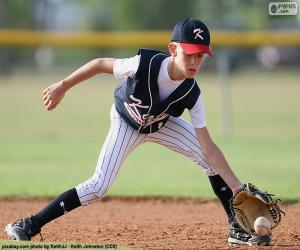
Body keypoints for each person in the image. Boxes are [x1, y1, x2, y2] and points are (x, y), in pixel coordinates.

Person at [5, 18, 270, 246]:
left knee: (207, 159)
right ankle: (30, 224)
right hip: (126, 121)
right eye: (189, 53)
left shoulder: (192, 93)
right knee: (99, 185)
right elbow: (99, 63)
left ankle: (236, 227)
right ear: (172, 49)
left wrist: (236, 187)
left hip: (161, 124)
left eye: (200, 55)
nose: (194, 61)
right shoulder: (144, 64)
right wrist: (63, 85)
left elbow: (209, 147)